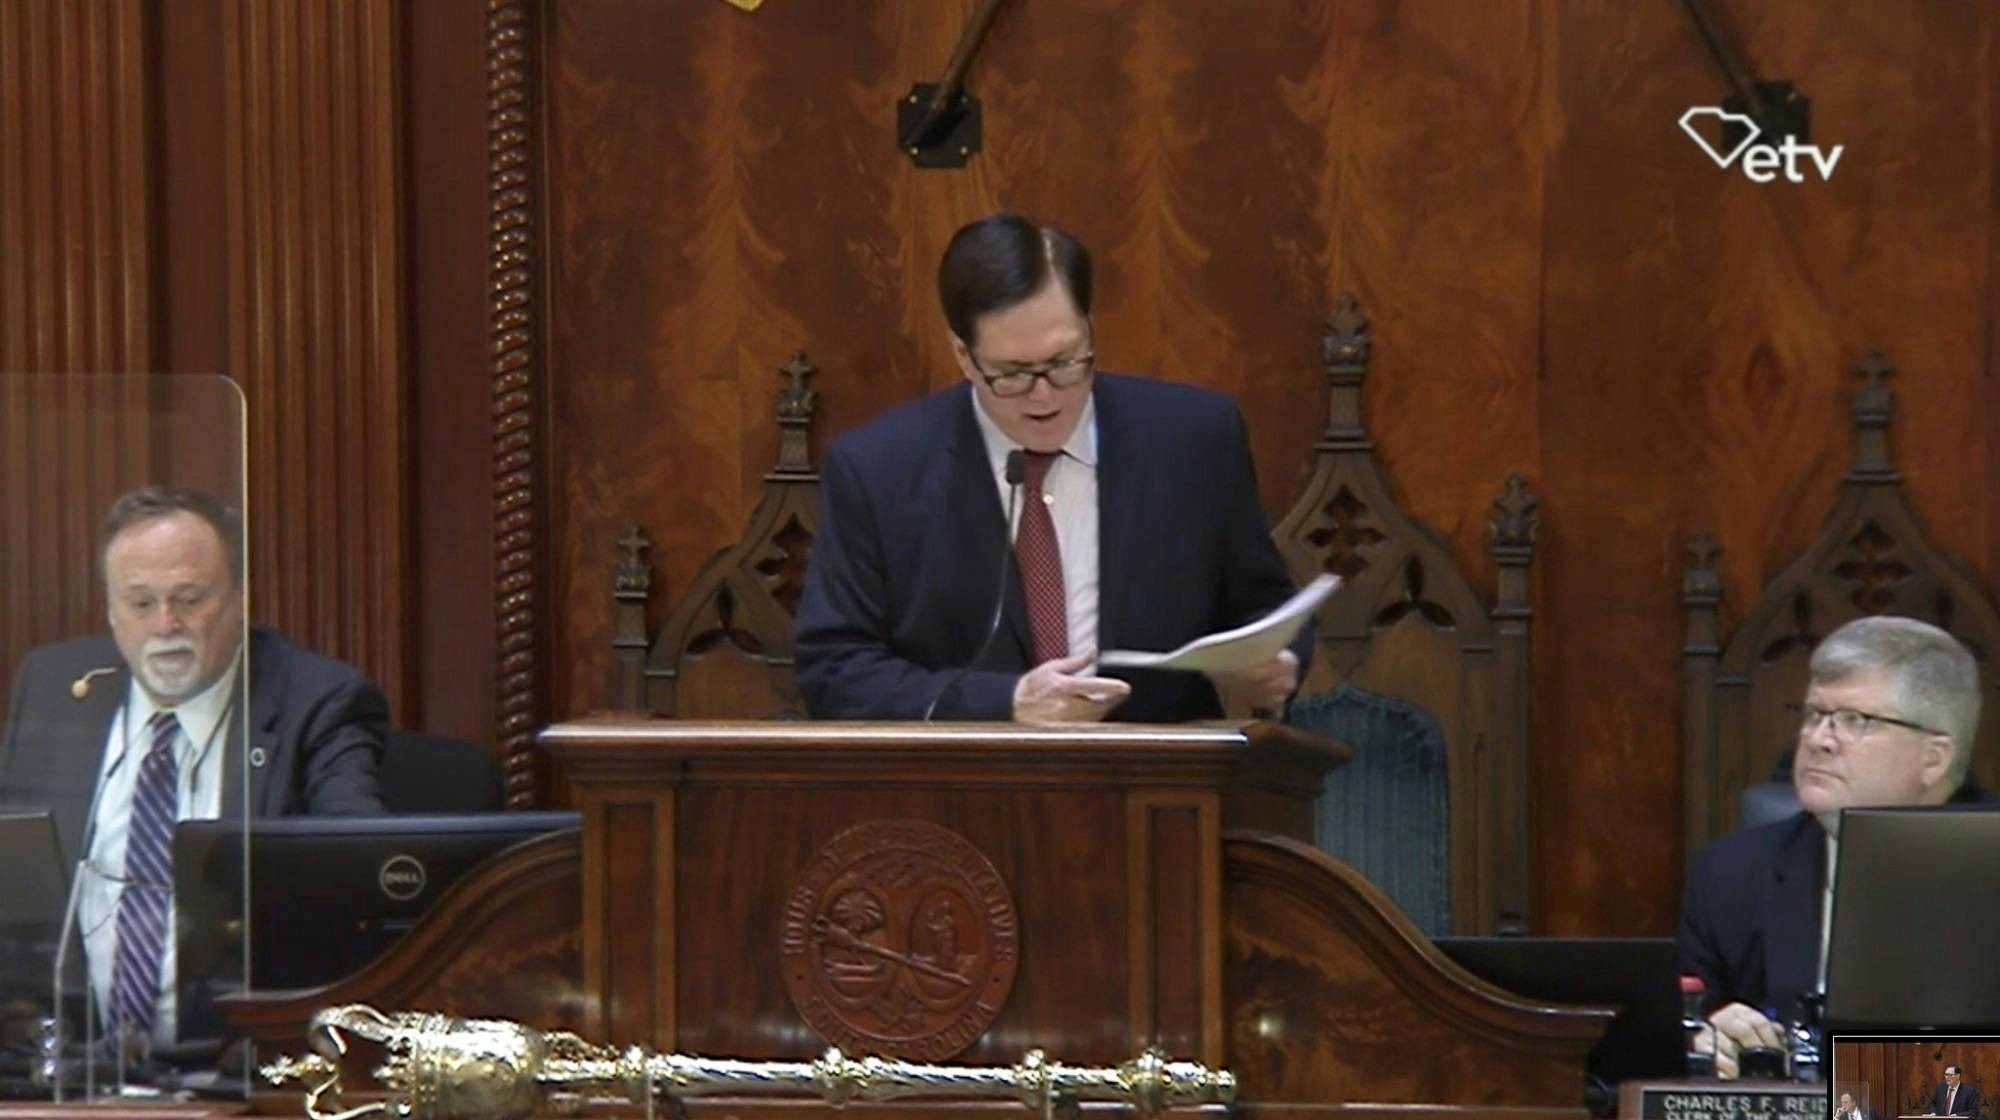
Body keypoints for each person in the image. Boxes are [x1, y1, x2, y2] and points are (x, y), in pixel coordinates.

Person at [795, 213, 1309, 722]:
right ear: (964, 356)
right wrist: (1005, 703)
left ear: (1090, 328)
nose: (1044, 397)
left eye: (1065, 362)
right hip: (963, 787)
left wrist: (1277, 663)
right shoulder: (878, 470)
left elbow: (1262, 605)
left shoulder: (1195, 441)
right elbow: (836, 669)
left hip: (1161, 781)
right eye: (1013, 373)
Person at [0, 486, 387, 1049]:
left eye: (188, 598)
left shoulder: (318, 702)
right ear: (110, 611)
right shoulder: (54, 687)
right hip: (70, 1067)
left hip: (239, 1062)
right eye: (140, 603)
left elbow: (359, 868)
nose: (165, 625)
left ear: (240, 597)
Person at [1676, 616, 1989, 1078]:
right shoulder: (1729, 875)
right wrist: (1708, 1040)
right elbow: (1683, 1029)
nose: (1817, 739)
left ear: (1934, 757)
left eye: (1854, 720)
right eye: (1814, 715)